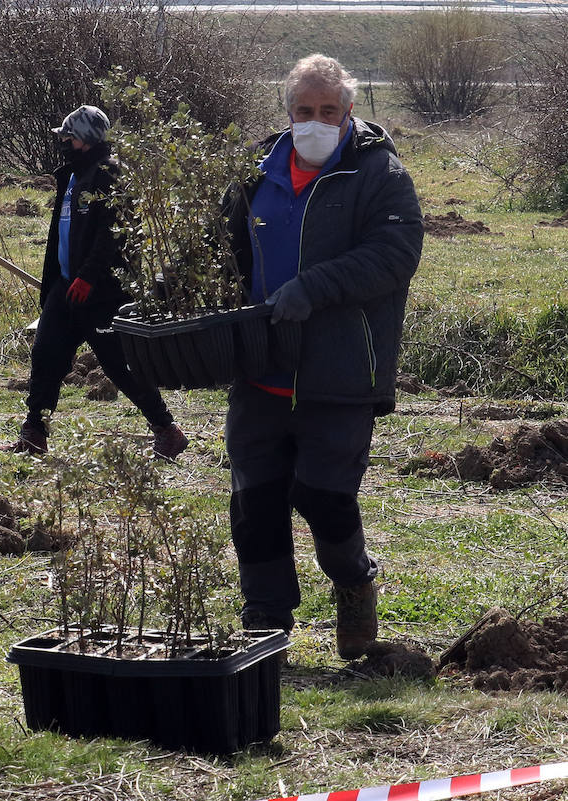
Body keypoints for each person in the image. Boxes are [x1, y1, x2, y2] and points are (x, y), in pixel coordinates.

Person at [221, 55, 423, 660]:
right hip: (260, 371)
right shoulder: (255, 174)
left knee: (323, 496)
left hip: (340, 373)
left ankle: (355, 580)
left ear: (348, 113)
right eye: (304, 112)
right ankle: (265, 620)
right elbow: (224, 252)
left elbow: (395, 253)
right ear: (288, 112)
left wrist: (313, 287)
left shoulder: (379, 174)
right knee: (254, 499)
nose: (315, 121)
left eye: (327, 112)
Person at [9, 104, 187, 459]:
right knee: (46, 355)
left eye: (69, 138)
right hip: (65, 285)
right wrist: (63, 283)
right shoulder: (72, 175)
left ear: (86, 141)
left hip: (100, 292)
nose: (63, 143)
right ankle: (34, 433)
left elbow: (114, 235)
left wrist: (89, 277)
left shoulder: (110, 175)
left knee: (118, 365)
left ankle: (167, 430)